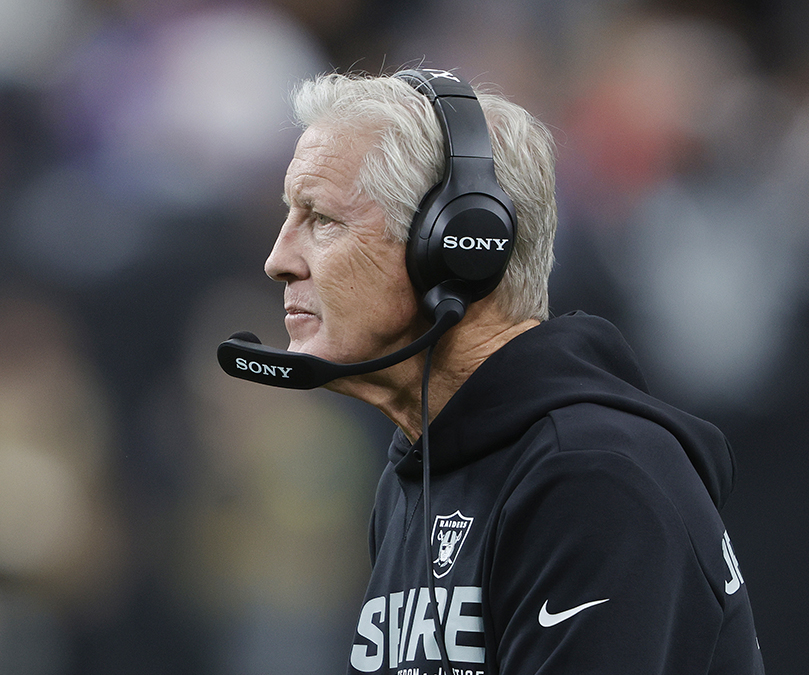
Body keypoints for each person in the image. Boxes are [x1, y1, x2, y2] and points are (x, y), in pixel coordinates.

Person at [252, 69, 765, 674]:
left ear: (456, 247)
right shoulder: (419, 472)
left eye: (322, 220)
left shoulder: (593, 477)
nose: (278, 260)